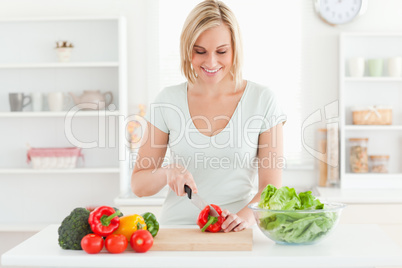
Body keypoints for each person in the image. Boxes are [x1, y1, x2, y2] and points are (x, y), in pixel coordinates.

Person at [131, 0, 286, 232]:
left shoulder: (262, 100)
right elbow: (139, 185)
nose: (211, 62)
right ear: (187, 50)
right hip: (177, 231)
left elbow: (271, 187)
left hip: (235, 232)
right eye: (200, 51)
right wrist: (167, 172)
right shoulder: (168, 100)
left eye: (221, 51)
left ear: (235, 49)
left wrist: (244, 218)